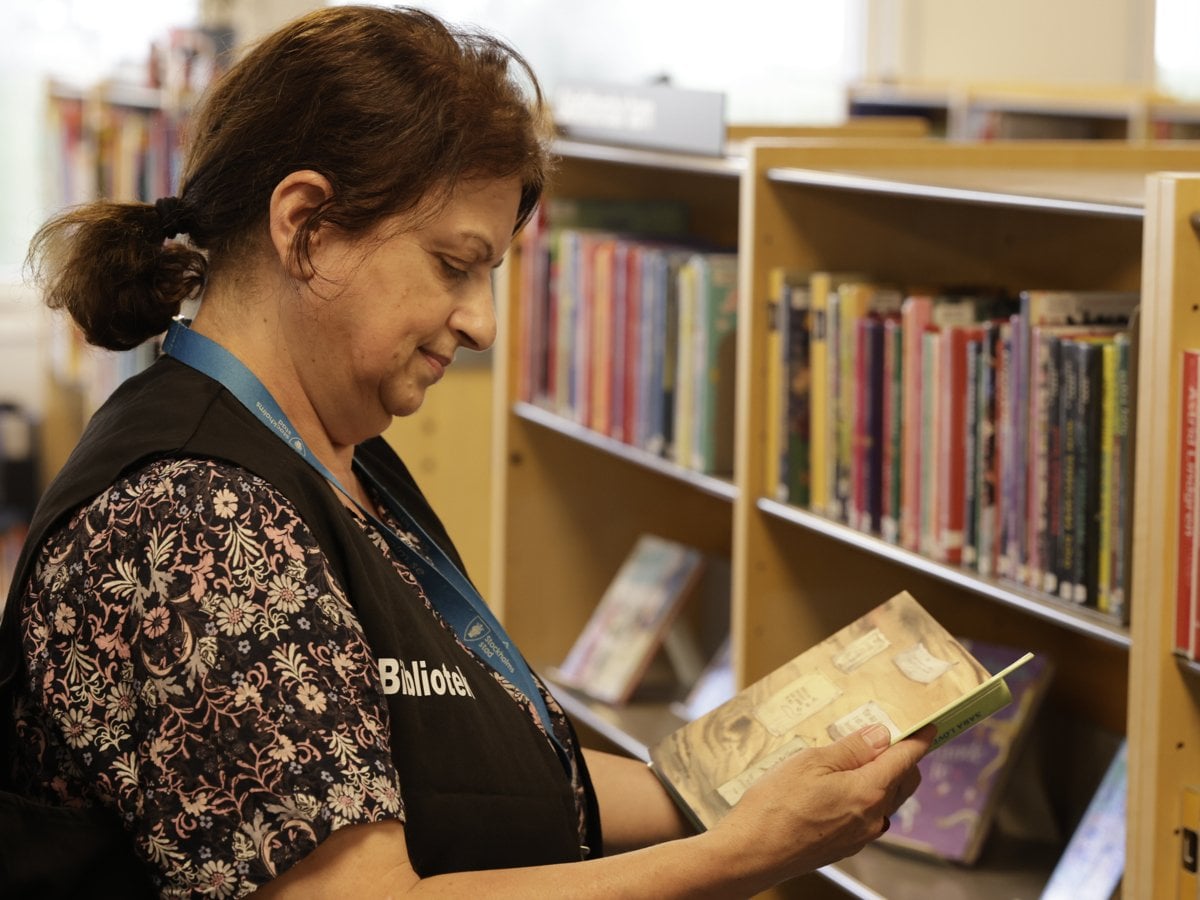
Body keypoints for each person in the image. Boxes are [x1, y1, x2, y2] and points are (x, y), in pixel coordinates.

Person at [0, 5, 932, 897]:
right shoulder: (192, 517)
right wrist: (742, 853)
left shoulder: (336, 458)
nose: (483, 323)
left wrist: (739, 781)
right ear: (306, 228)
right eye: (454, 264)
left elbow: (472, 774)